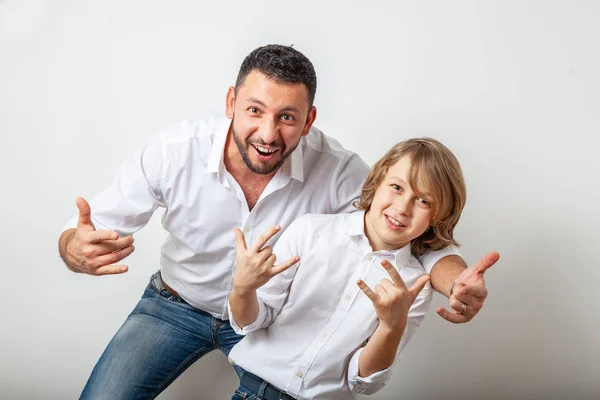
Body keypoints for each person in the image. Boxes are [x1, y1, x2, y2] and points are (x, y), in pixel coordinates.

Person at [58, 44, 497, 400]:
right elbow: (84, 233)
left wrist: (458, 283)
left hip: (268, 323)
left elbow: (412, 227)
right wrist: (74, 251)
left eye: (287, 117)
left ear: (309, 121)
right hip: (176, 305)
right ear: (231, 103)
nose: (268, 134)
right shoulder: (175, 150)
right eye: (254, 110)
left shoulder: (343, 170)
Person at [228, 138, 496, 399]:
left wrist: (391, 326)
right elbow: (251, 321)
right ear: (378, 181)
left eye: (423, 201)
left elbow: (362, 381)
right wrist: (242, 289)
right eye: (397, 187)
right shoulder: (310, 231)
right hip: (255, 391)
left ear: (438, 216)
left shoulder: (414, 286)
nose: (402, 208)